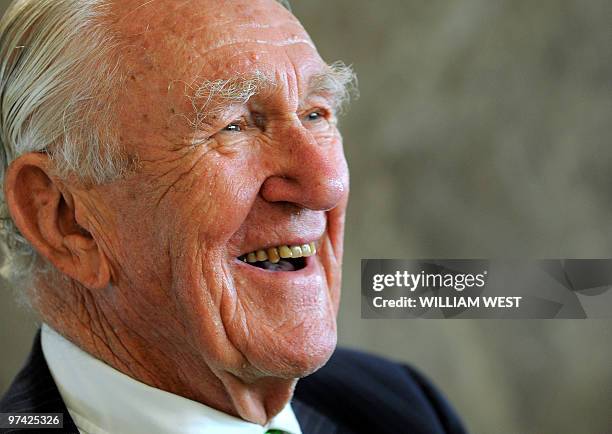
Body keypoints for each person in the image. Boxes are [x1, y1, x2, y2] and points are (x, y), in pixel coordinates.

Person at [0, 0, 466, 432]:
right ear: (66, 220)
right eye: (234, 127)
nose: (327, 185)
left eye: (316, 115)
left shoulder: (404, 407)